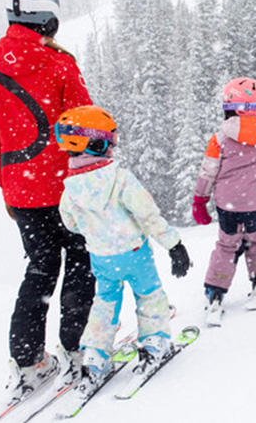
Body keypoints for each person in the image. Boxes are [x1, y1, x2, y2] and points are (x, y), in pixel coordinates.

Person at [0, 0, 95, 396]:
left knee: (40, 270)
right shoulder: (59, 65)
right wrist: (94, 183)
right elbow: (84, 127)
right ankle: (78, 349)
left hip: (23, 194)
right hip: (67, 188)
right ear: (47, 18)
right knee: (81, 260)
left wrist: (9, 191)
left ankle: (29, 362)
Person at [54, 105, 192, 388]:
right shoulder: (121, 179)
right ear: (96, 142)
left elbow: (70, 224)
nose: (112, 150)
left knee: (104, 304)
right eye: (109, 142)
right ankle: (154, 343)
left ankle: (94, 356)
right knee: (149, 295)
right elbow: (147, 215)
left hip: (102, 258)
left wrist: (97, 230)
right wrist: (174, 245)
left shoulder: (71, 188)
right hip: (134, 254)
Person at [192, 77, 256, 325]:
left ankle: (215, 291)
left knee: (226, 244)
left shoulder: (220, 138)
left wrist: (200, 199)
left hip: (228, 204)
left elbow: (208, 171)